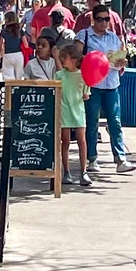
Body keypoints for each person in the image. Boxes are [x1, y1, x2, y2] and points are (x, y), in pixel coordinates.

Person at [81, 4, 136, 175]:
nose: (104, 23)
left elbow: (120, 55)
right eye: (100, 19)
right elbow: (77, 56)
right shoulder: (84, 36)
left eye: (107, 19)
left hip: (111, 84)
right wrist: (92, 61)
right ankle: (92, 158)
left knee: (115, 121)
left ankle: (120, 158)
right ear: (93, 19)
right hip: (93, 85)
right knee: (92, 122)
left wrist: (121, 61)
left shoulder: (113, 38)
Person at [56, 39, 92, 187]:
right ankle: (66, 171)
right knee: (65, 142)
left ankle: (83, 171)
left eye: (65, 58)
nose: (63, 60)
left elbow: (86, 93)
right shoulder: (59, 75)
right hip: (64, 110)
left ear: (74, 60)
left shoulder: (83, 75)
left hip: (78, 110)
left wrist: (85, 94)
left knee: (81, 141)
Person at [0, 11, 27, 80]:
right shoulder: (20, 30)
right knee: (18, 78)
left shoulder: (4, 30)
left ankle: (9, 90)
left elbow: (0, 45)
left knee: (8, 78)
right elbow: (26, 45)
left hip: (8, 55)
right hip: (19, 55)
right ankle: (17, 90)